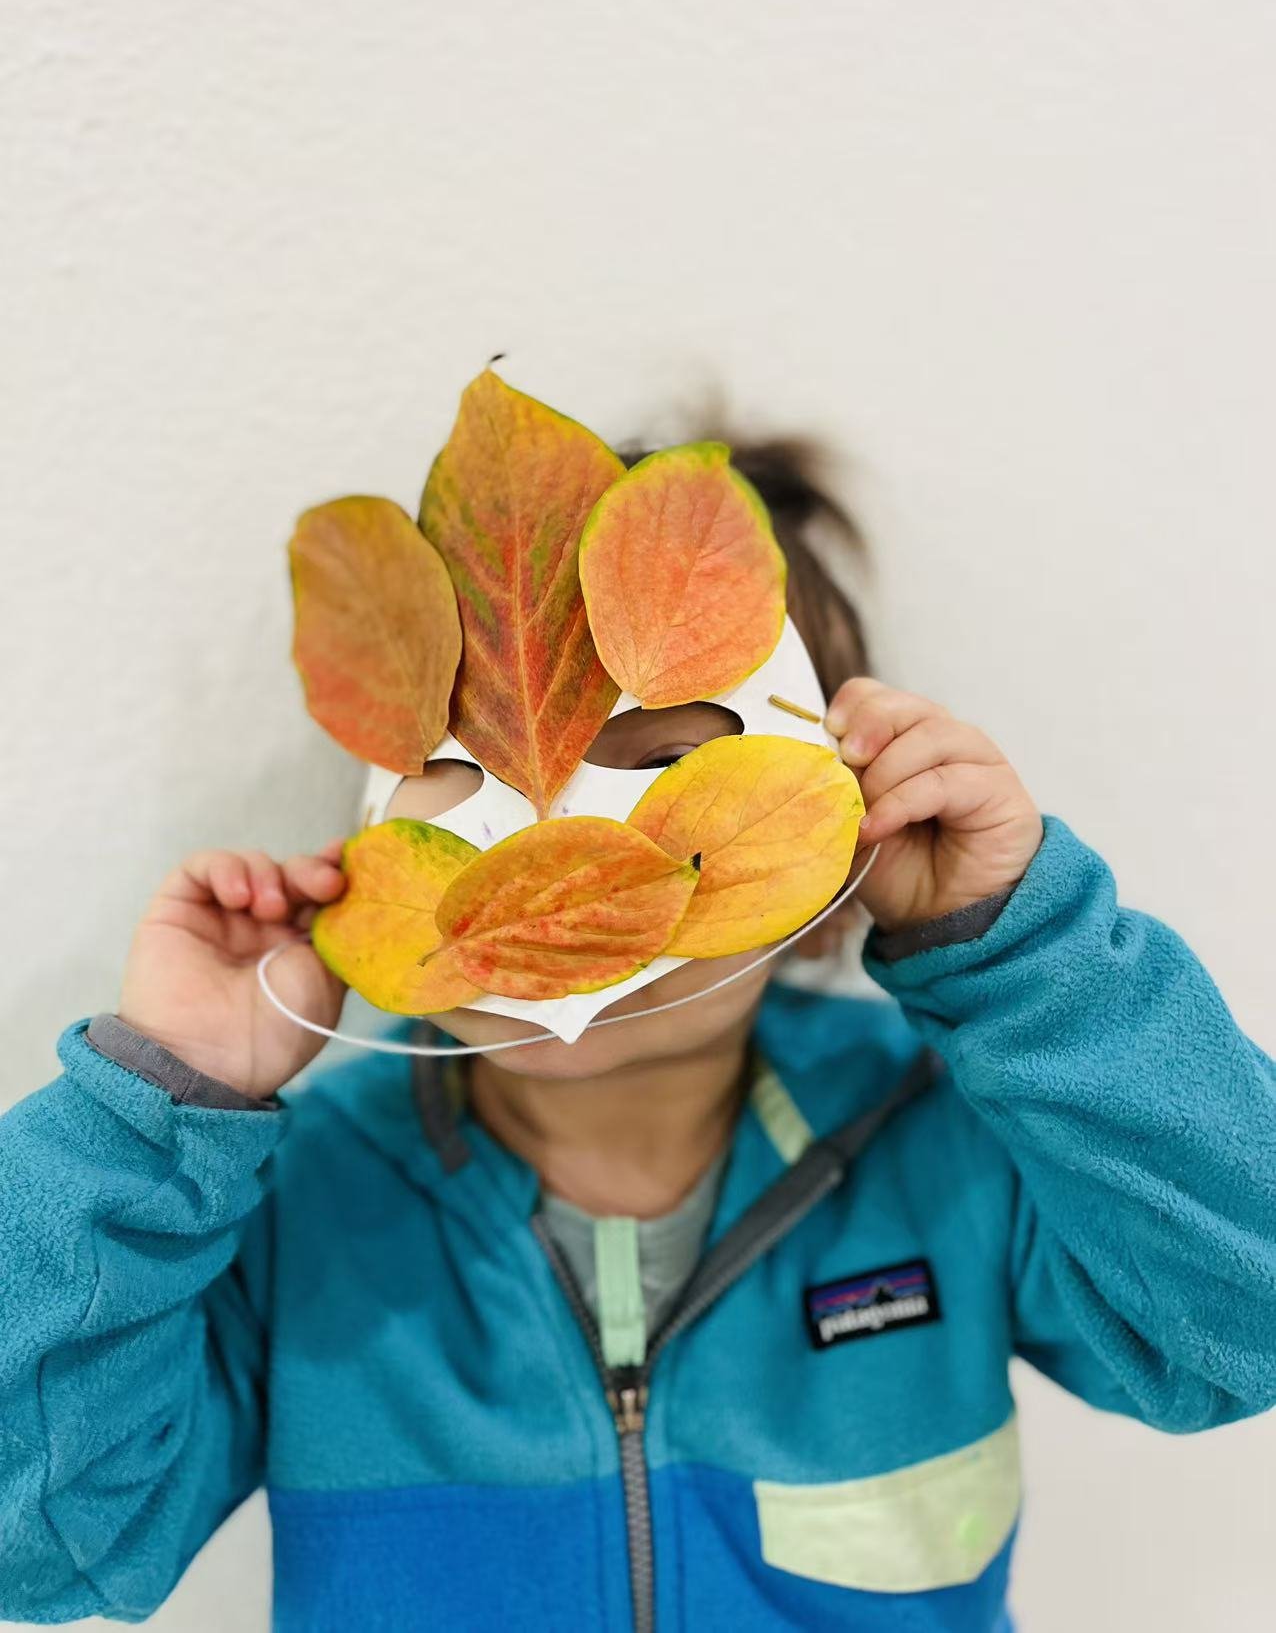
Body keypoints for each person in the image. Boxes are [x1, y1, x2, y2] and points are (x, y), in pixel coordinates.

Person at [1, 440, 1272, 1633]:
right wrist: (158, 1111)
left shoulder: (944, 1143)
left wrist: (1016, 956)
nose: (560, 867)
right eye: (470, 787)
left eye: (659, 771)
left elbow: (1242, 1317)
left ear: (839, 858)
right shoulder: (292, 1207)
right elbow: (37, 1542)